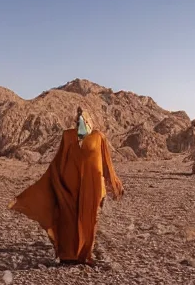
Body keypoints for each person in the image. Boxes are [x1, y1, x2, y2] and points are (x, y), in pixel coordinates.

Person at [10, 106, 124, 265]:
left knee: (90, 219)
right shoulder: (68, 135)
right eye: (77, 120)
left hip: (93, 186)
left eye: (82, 120)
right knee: (69, 219)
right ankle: (68, 255)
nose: (79, 123)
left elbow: (107, 163)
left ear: (89, 120)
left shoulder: (99, 137)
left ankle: (84, 254)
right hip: (70, 185)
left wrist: (113, 182)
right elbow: (60, 160)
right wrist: (57, 182)